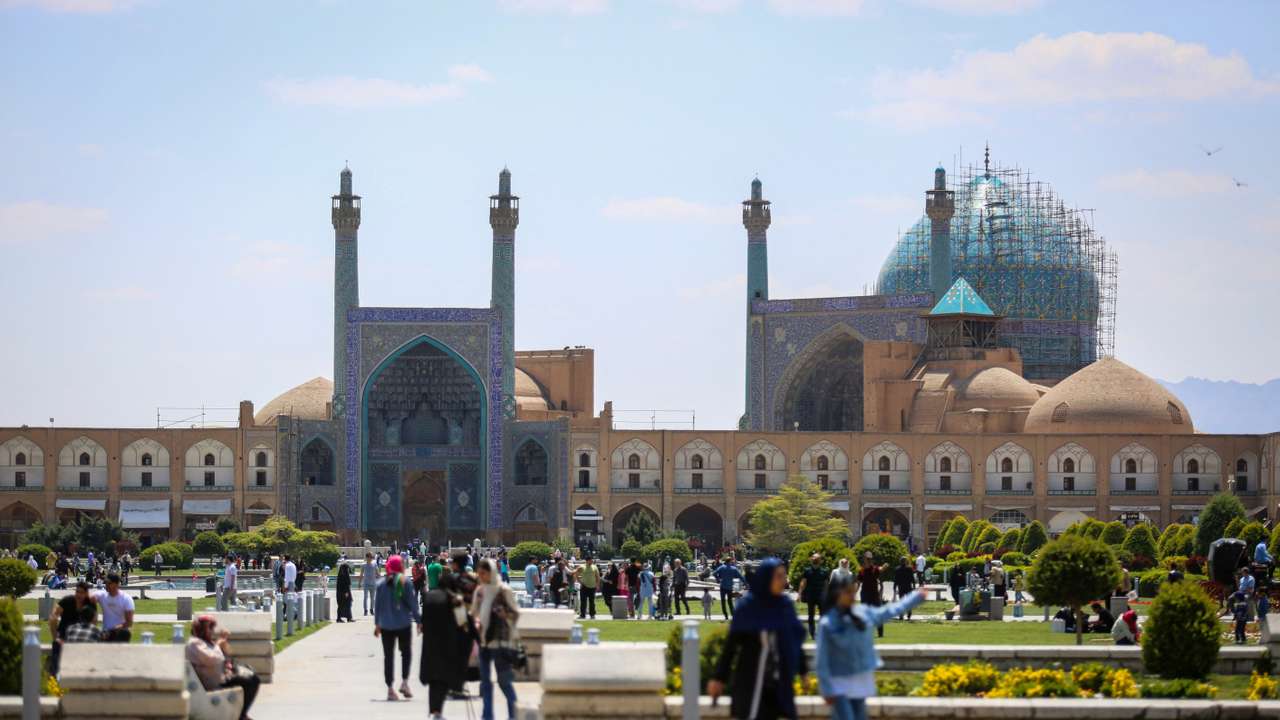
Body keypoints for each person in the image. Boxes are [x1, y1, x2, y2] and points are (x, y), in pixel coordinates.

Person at [708, 557, 807, 720]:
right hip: (752, 683)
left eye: (784, 576)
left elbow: (795, 640)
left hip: (779, 682)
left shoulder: (785, 606)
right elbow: (731, 646)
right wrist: (719, 678)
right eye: (779, 577)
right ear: (767, 578)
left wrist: (803, 672)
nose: (784, 581)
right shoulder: (748, 607)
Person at [815, 576, 926, 720]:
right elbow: (821, 659)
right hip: (838, 685)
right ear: (836, 593)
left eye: (853, 591)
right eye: (848, 592)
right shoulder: (827, 623)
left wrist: (916, 597)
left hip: (860, 681)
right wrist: (826, 689)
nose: (852, 595)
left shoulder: (863, 613)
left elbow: (890, 611)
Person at [471, 558, 520, 720]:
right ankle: (487, 716)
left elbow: (516, 613)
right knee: (485, 683)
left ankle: (514, 715)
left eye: (483, 573)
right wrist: (477, 622)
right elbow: (474, 614)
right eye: (479, 573)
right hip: (484, 641)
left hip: (501, 643)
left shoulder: (503, 590)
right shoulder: (480, 591)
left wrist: (506, 615)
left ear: (491, 573)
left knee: (504, 682)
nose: (481, 577)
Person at [186, 615, 260, 720]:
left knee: (250, 672)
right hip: (213, 684)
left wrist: (222, 644)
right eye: (210, 628)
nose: (212, 631)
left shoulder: (203, 642)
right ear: (201, 628)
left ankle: (241, 714)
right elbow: (213, 658)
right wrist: (219, 643)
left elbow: (223, 656)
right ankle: (241, 715)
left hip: (220, 678)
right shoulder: (194, 643)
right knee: (251, 679)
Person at [419, 573, 470, 720]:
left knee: (433, 678)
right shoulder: (454, 599)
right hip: (447, 643)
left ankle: (433, 709)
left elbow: (423, 620)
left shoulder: (428, 596)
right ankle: (438, 711)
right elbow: (462, 623)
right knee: (443, 677)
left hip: (430, 642)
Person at [374, 555, 422, 701]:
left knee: (388, 656)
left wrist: (377, 624)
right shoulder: (405, 582)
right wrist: (419, 621)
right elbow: (413, 604)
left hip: (386, 625)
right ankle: (405, 682)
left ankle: (390, 689)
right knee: (405, 653)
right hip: (403, 624)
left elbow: (377, 606)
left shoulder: (381, 584)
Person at [48, 581, 93, 674]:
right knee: (57, 645)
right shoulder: (67, 601)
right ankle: (55, 678)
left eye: (82, 592)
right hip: (63, 636)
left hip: (81, 637)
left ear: (86, 593)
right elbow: (53, 617)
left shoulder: (90, 604)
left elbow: (93, 624)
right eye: (77, 592)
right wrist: (55, 637)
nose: (79, 595)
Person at [92, 573, 134, 642]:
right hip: (105, 632)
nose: (107, 585)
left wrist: (112, 631)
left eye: (109, 583)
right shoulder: (102, 595)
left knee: (125, 633)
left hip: (120, 632)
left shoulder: (126, 598)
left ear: (117, 584)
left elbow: (129, 622)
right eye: (106, 583)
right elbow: (89, 598)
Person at [856, 553, 887, 638]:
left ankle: (880, 634)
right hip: (865, 594)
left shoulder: (874, 569)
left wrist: (884, 567)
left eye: (869, 559)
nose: (868, 561)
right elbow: (858, 583)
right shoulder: (861, 570)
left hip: (874, 595)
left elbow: (880, 569)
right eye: (867, 559)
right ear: (864, 560)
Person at [798, 553, 828, 639]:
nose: (814, 559)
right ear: (811, 559)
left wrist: (827, 594)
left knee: (823, 615)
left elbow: (826, 584)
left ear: (820, 560)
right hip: (810, 595)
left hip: (821, 595)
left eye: (817, 558)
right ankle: (812, 633)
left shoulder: (824, 571)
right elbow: (803, 582)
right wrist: (799, 593)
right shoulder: (807, 570)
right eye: (813, 557)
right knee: (811, 615)